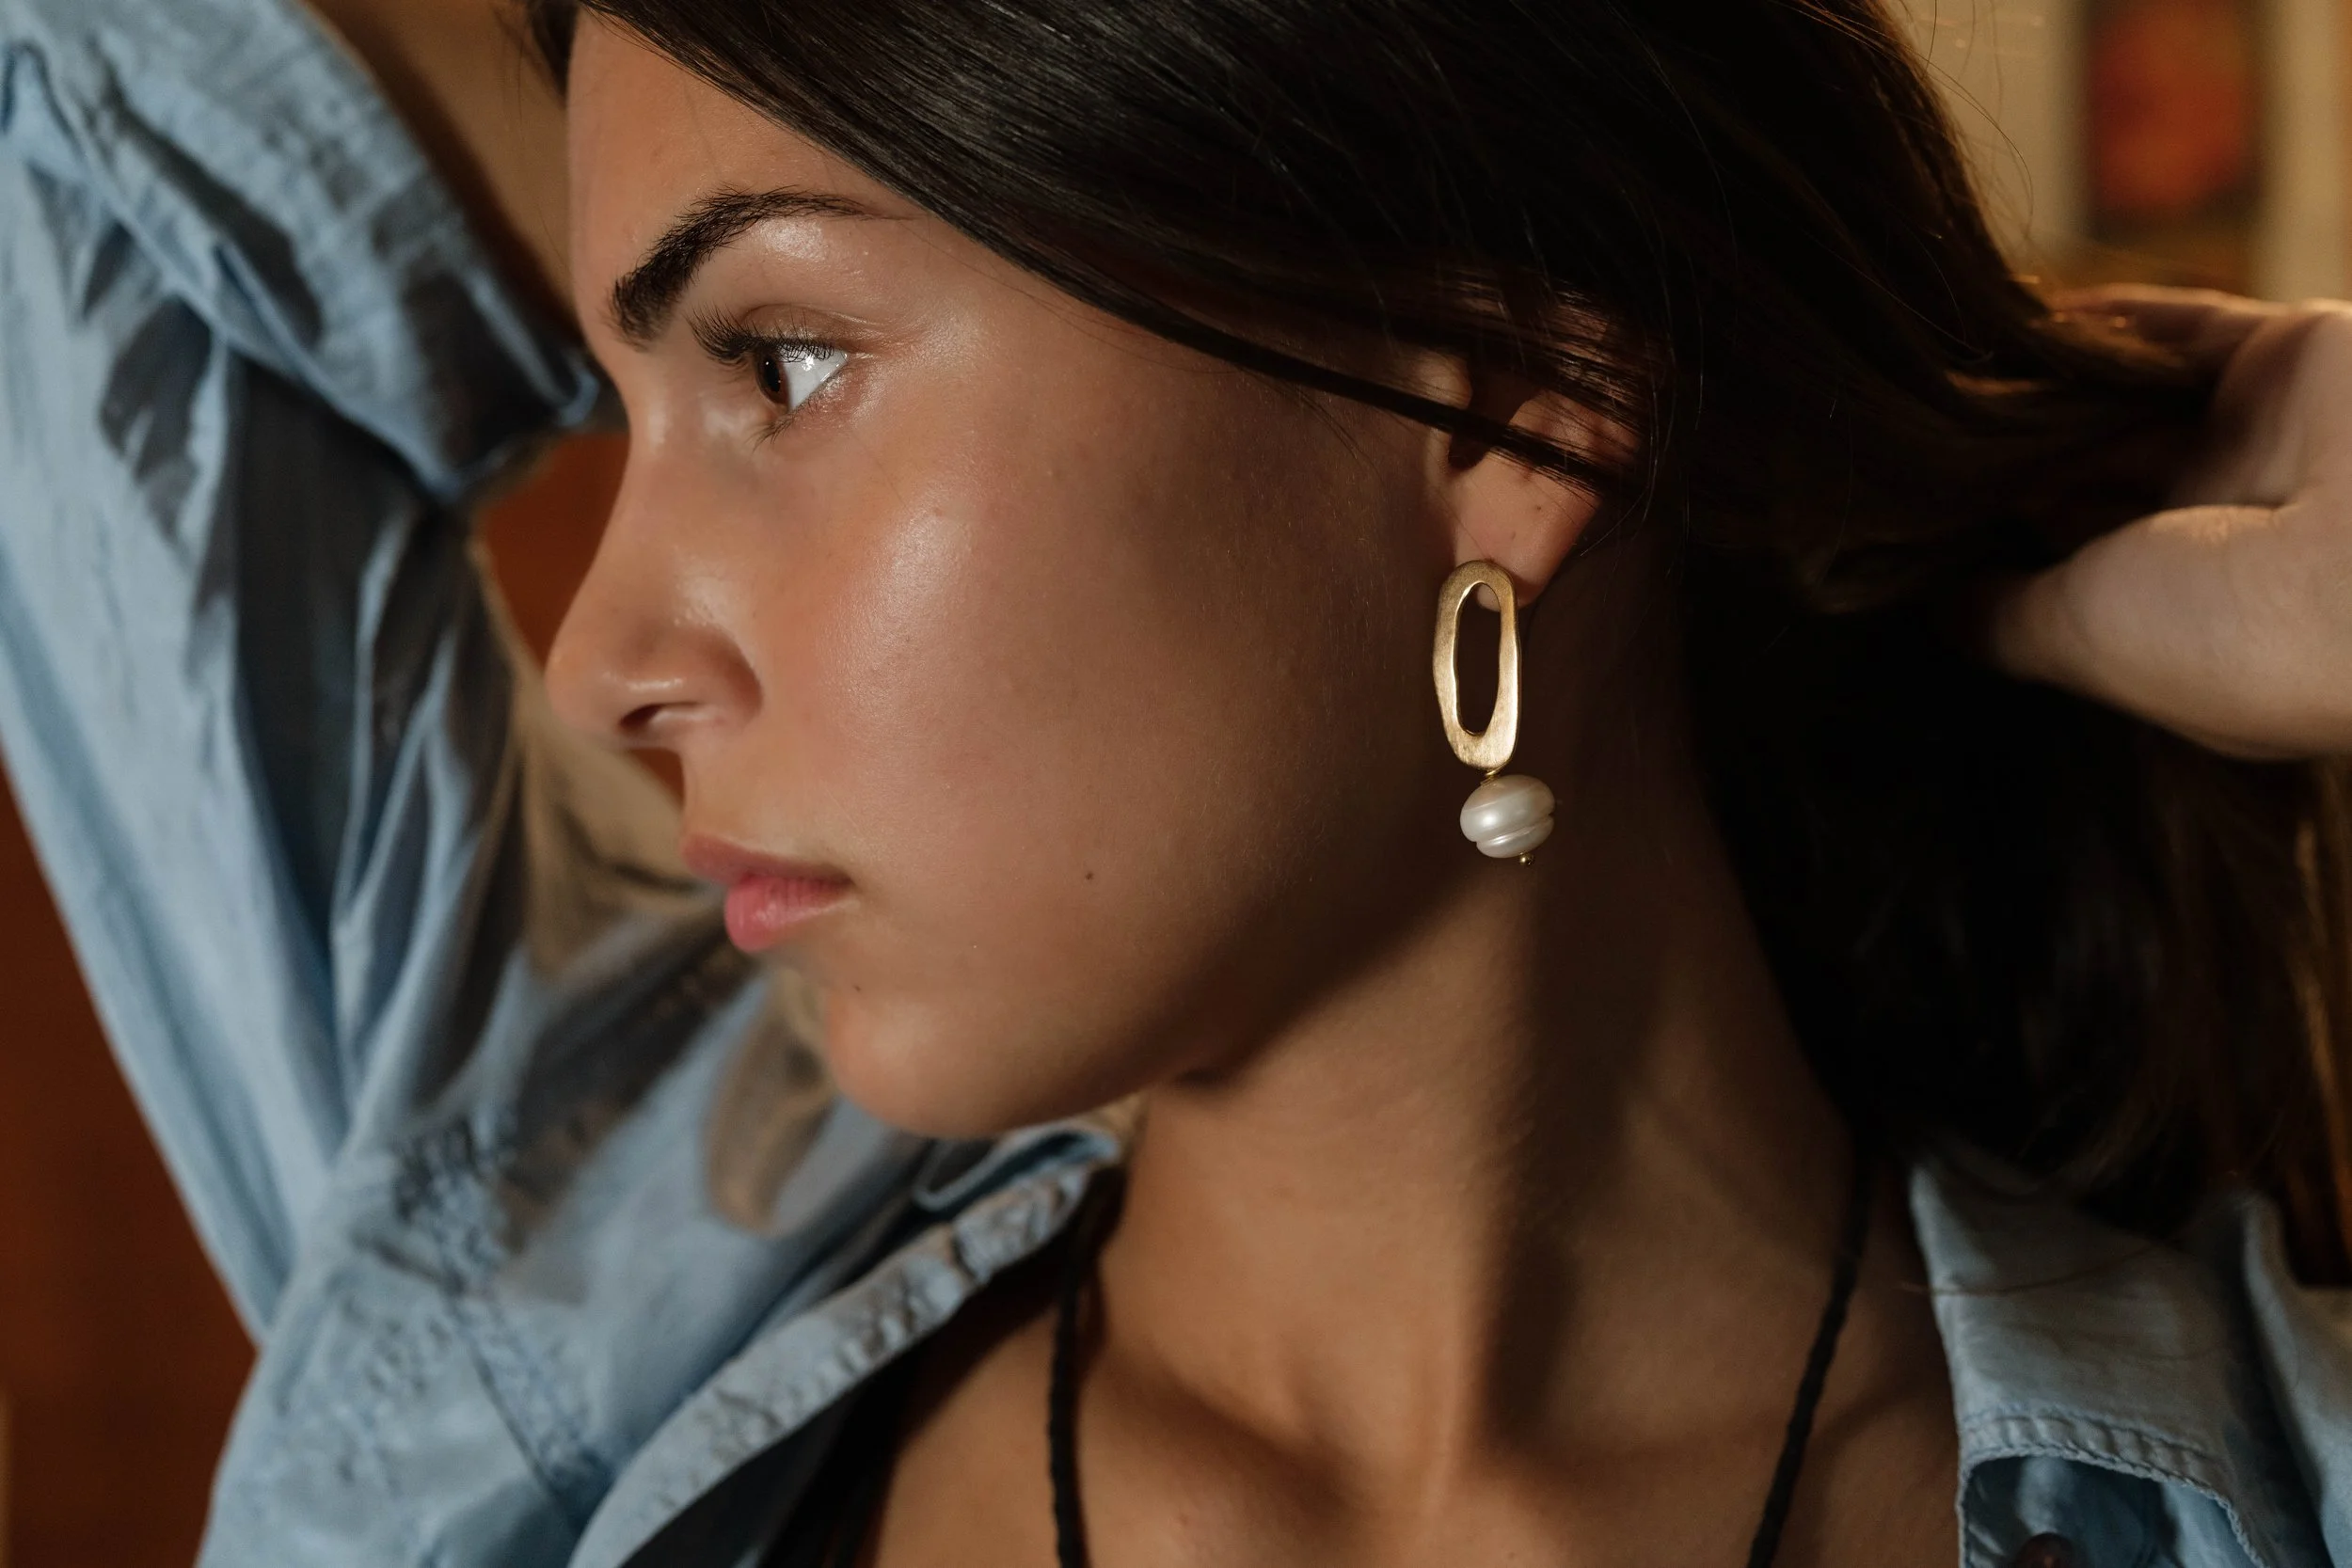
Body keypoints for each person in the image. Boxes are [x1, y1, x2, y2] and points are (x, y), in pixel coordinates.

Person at [3, 0, 2351, 1564]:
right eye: (645, 397)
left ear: (1503, 419)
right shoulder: (564, 1261)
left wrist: (1988, 543)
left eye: (785, 361)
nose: (611, 654)